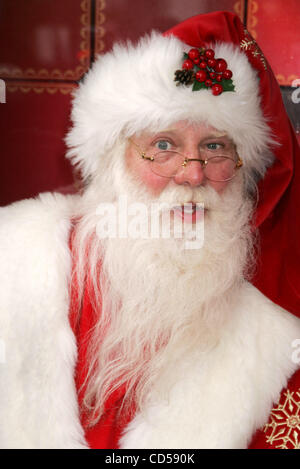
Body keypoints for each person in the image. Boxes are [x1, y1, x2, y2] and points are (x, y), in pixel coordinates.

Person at [0, 11, 299, 449]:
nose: (193, 176)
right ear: (114, 160)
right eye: (163, 145)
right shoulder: (15, 262)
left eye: (214, 147)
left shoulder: (274, 321)